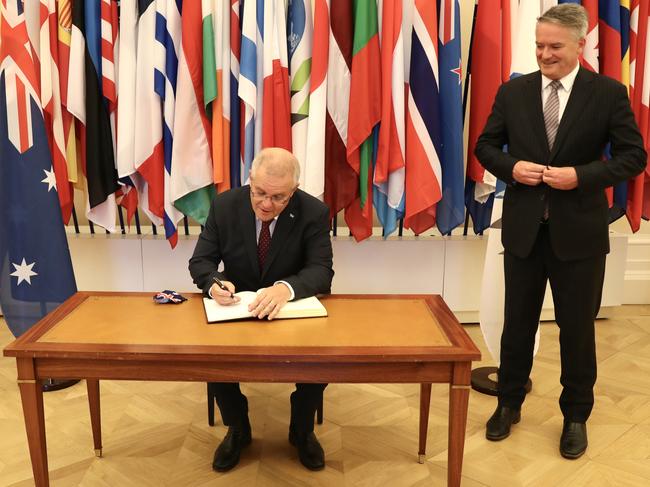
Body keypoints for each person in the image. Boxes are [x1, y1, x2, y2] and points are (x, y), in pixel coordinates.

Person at [475, 4, 646, 460]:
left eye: (554, 46)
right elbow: (486, 146)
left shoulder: (608, 93)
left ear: (580, 45)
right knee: (517, 325)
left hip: (581, 233)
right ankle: (509, 403)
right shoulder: (514, 92)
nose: (544, 54)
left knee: (576, 330)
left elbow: (633, 157)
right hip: (525, 232)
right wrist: (513, 168)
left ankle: (575, 416)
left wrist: (581, 176)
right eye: (538, 45)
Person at [189, 147, 334, 472]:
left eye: (279, 197)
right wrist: (215, 284)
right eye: (260, 193)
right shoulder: (225, 205)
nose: (267, 204)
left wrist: (286, 288)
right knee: (212, 358)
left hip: (292, 308)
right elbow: (201, 261)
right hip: (238, 306)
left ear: (293, 191)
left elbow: (322, 270)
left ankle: (302, 429)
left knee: (322, 358)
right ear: (250, 181)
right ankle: (238, 428)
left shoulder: (313, 211)